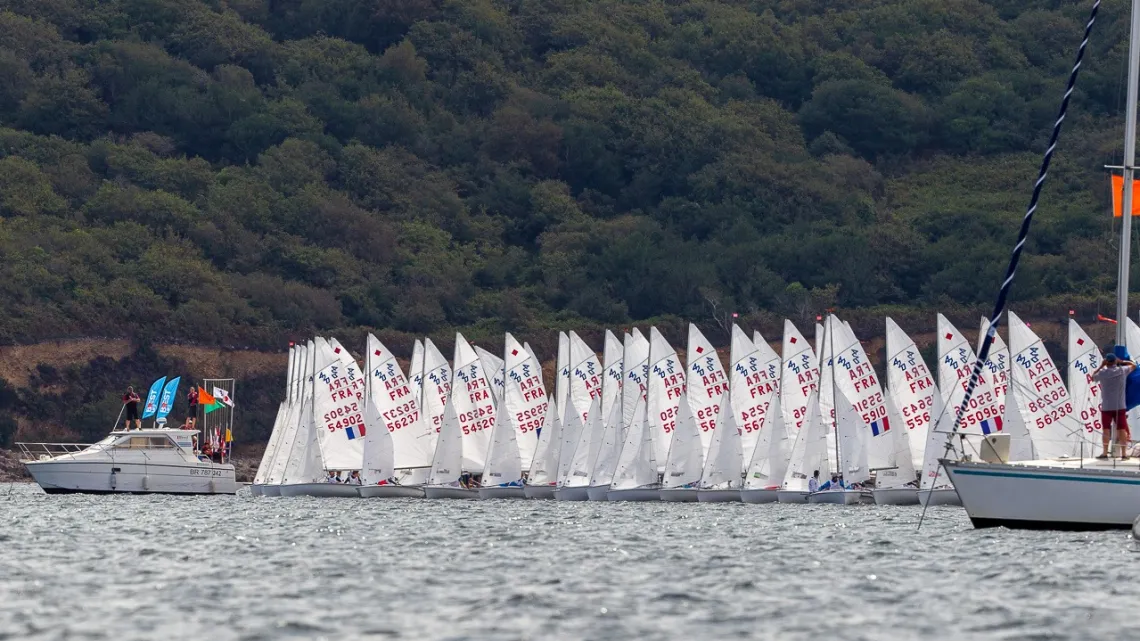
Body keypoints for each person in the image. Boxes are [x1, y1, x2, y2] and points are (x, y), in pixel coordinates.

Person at [1093, 352, 1135, 460]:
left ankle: (1105, 453)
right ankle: (1124, 454)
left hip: (1106, 406)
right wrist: (1122, 361)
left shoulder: (1102, 373)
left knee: (1106, 429)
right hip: (1119, 406)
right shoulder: (1122, 370)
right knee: (1121, 430)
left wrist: (1101, 366)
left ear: (1106, 362)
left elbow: (1093, 377)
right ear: (1115, 361)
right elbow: (1133, 365)